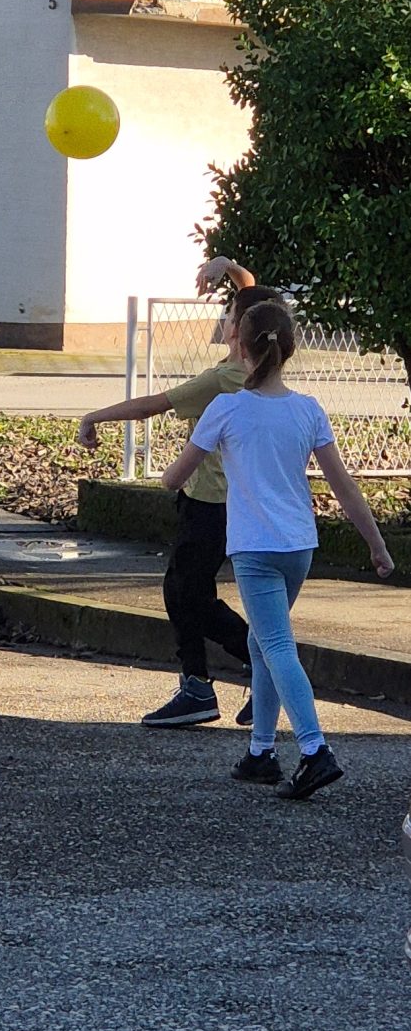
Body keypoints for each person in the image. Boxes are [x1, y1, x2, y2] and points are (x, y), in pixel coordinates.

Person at [161, 299, 394, 799]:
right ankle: (260, 751)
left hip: (255, 549)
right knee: (262, 644)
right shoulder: (307, 409)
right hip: (298, 547)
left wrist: (174, 474)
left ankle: (314, 750)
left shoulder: (226, 407)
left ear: (240, 348)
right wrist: (376, 545)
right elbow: (344, 486)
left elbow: (174, 478)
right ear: (288, 350)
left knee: (277, 646)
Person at [77, 259, 282, 731]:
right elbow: (253, 294)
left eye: (229, 314)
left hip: (209, 502)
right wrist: (228, 267)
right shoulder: (256, 366)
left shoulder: (220, 380)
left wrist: (93, 417)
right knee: (185, 589)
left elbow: (152, 405)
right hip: (232, 500)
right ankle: (216, 679)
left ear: (238, 331)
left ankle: (239, 674)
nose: (224, 318)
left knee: (187, 594)